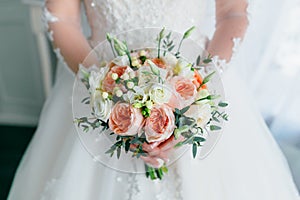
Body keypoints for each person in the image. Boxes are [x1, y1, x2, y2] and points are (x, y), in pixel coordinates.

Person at [8, 0, 300, 199]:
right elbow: (61, 17)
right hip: (102, 85)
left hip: (196, 85)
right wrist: (107, 88)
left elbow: (233, 14)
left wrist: (199, 90)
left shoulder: (200, 90)